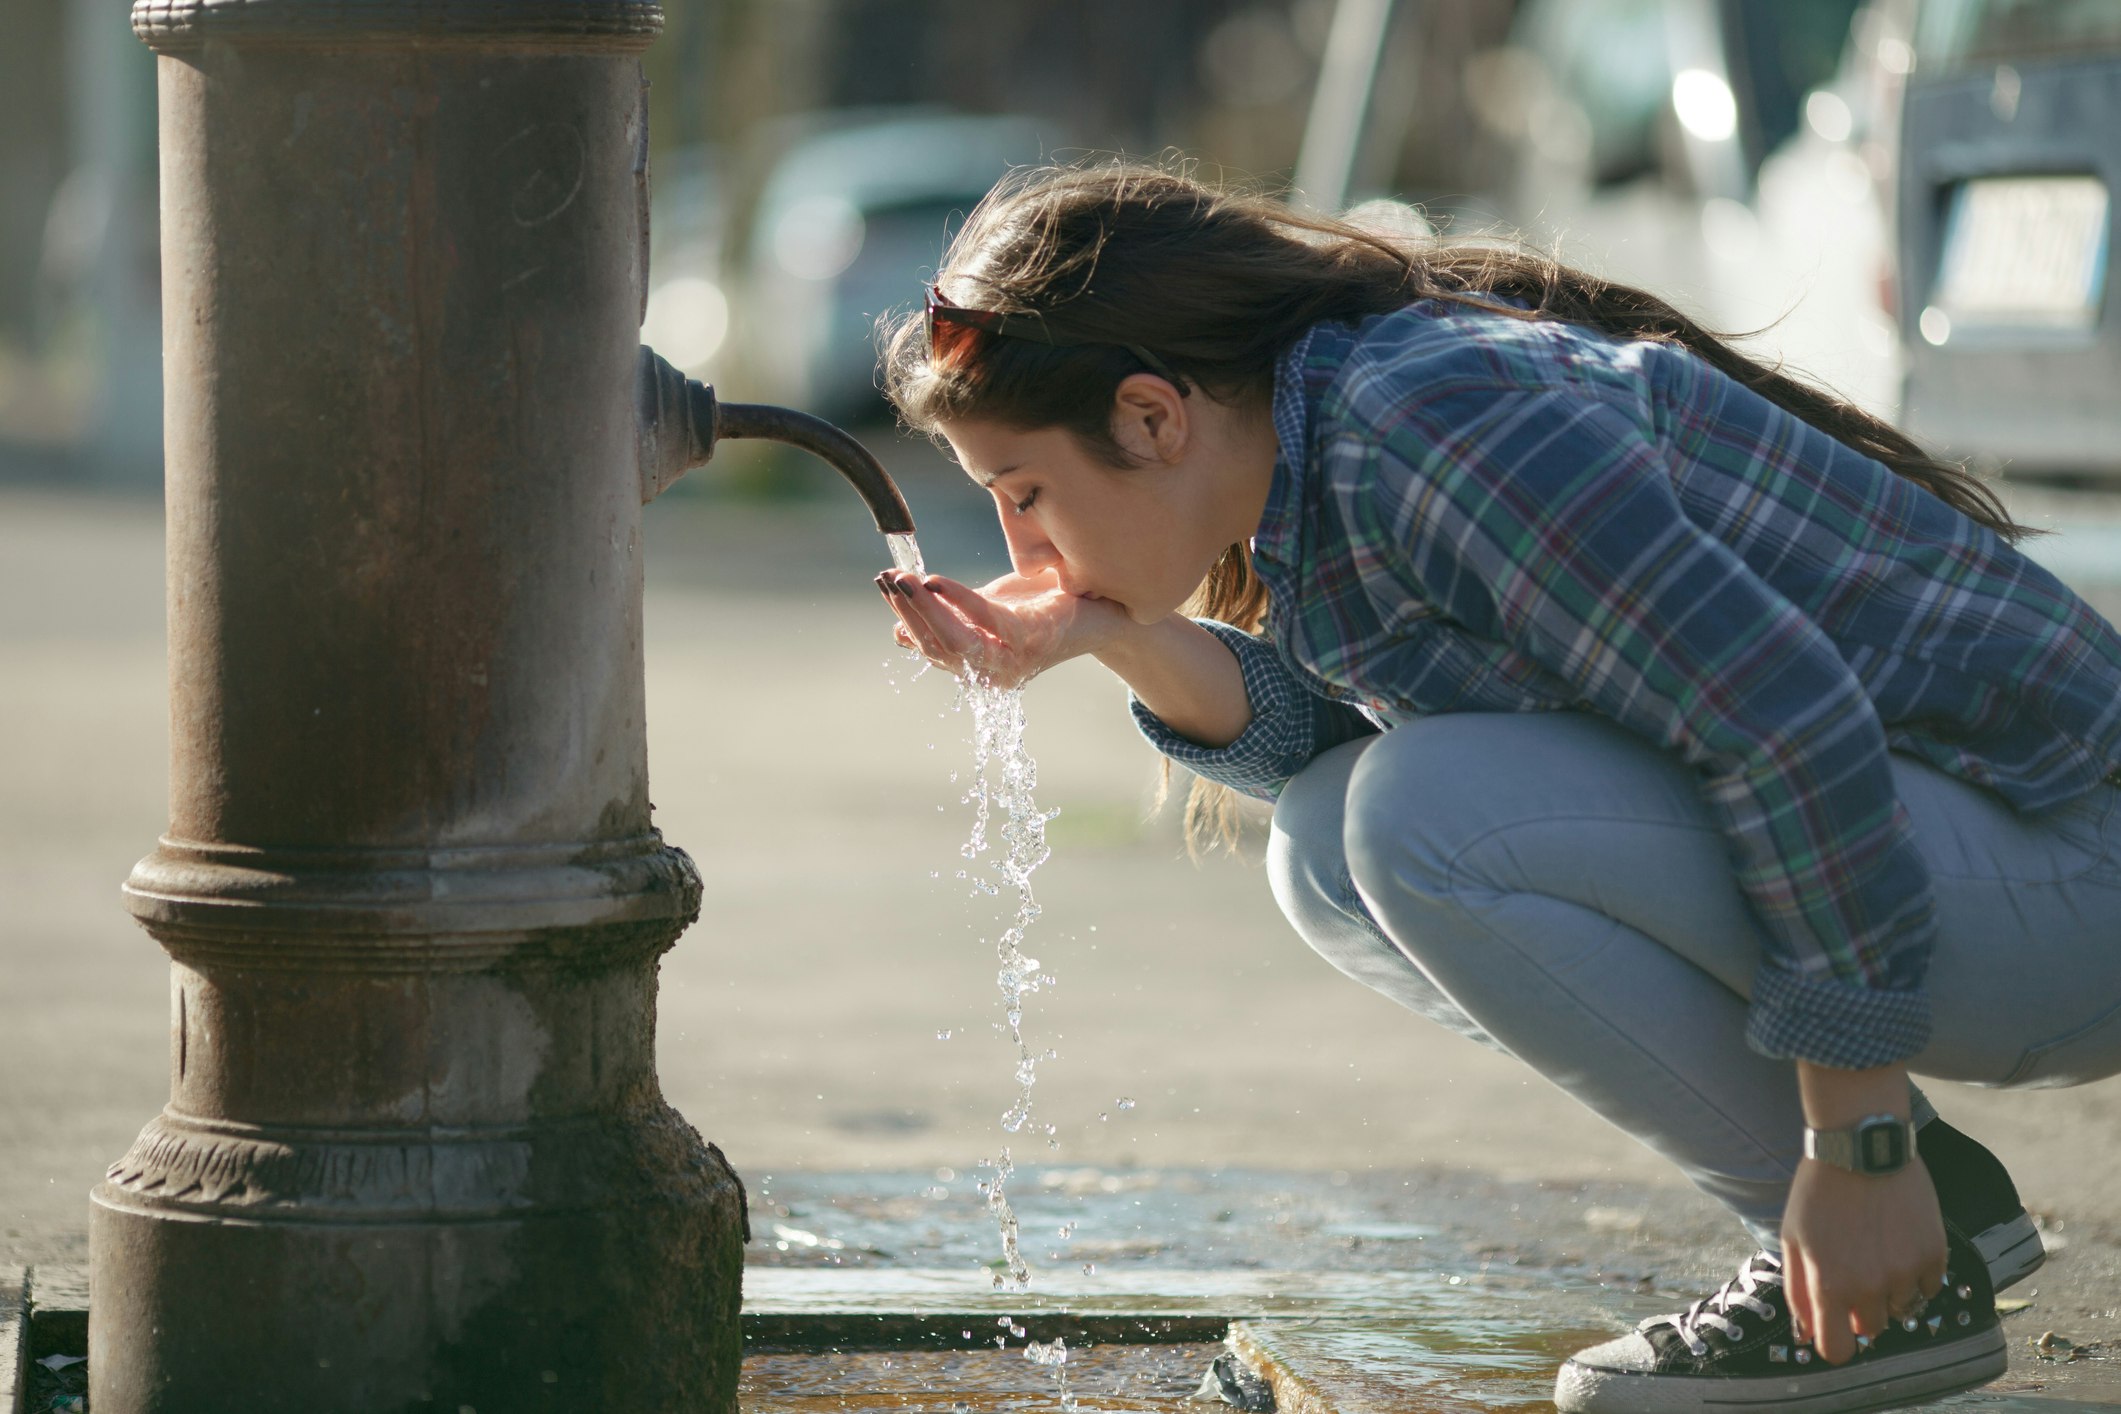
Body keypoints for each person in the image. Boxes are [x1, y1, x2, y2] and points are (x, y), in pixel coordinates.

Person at [871, 161, 2121, 1414]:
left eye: (1024, 496)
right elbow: (1323, 754)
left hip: (2077, 861)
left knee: (1414, 816)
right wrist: (1102, 631)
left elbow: (1788, 727)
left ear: (1152, 418)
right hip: (1971, 862)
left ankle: (1882, 1237)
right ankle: (1921, 1231)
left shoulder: (1429, 430)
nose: (1021, 549)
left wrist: (1858, 1144)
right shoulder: (1328, 448)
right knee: (1326, 841)